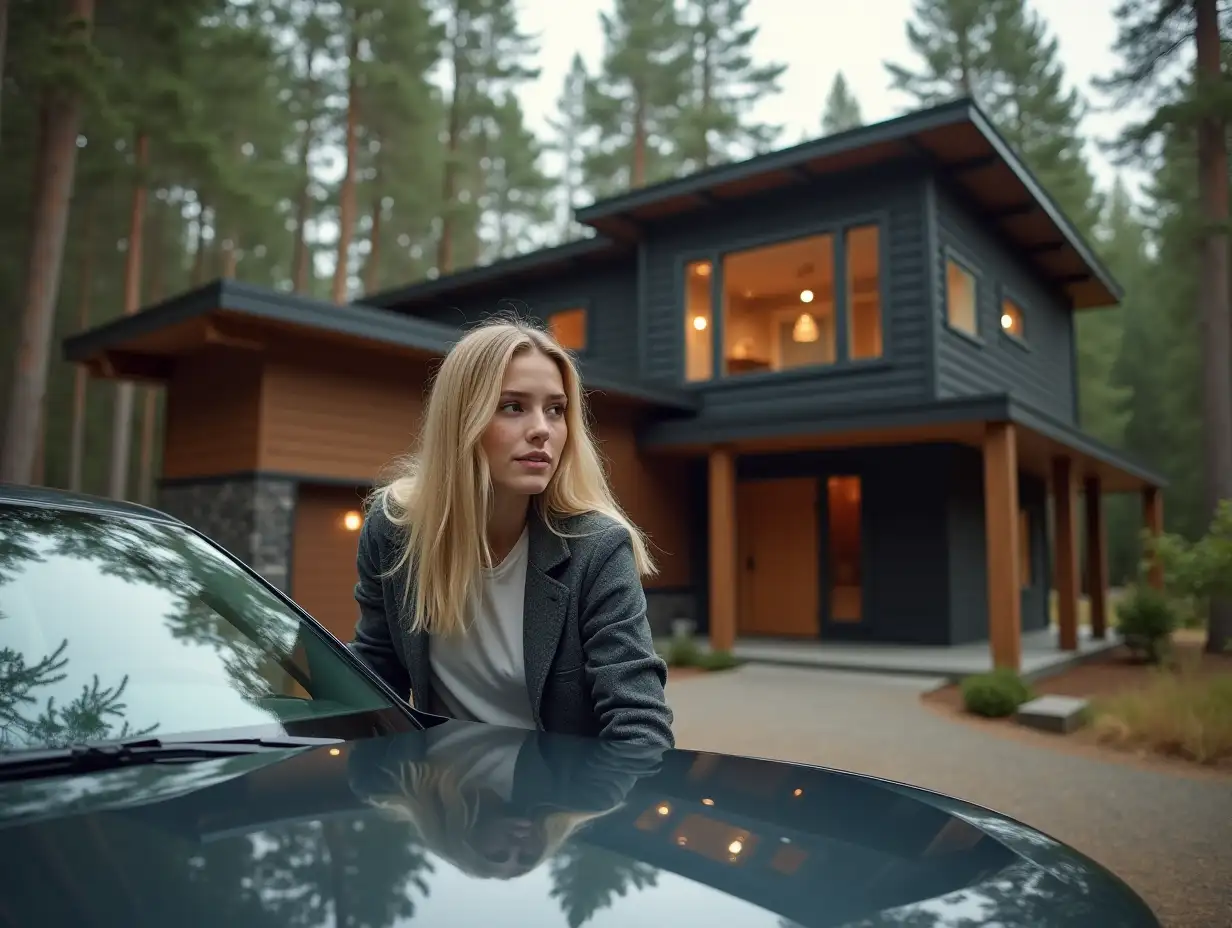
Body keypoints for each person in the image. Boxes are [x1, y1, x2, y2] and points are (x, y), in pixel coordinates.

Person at [349, 315, 674, 748]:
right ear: (461, 421)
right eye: (513, 406)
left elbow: (640, 723)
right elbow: (373, 678)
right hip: (439, 802)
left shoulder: (596, 550)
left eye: (555, 410)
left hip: (559, 808)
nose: (542, 429)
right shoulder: (395, 533)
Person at [349, 722, 665, 880]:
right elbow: (640, 741)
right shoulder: (585, 794)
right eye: (527, 858)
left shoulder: (386, 780)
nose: (518, 847)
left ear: (461, 842)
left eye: (498, 854)